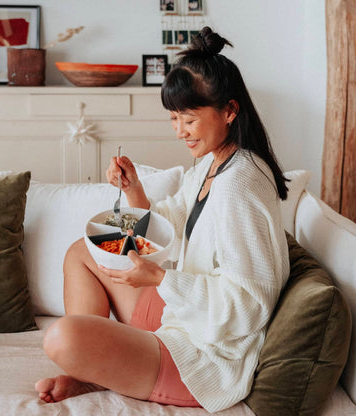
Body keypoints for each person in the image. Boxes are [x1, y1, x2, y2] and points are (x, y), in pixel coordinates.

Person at [35, 26, 290, 413]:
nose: (179, 132)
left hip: (207, 353)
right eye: (173, 119)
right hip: (181, 313)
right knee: (81, 253)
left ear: (229, 111)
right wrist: (134, 188)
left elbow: (250, 304)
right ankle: (94, 367)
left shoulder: (242, 183)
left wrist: (159, 278)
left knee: (62, 340)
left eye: (188, 119)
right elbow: (168, 223)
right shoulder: (212, 162)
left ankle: (91, 364)